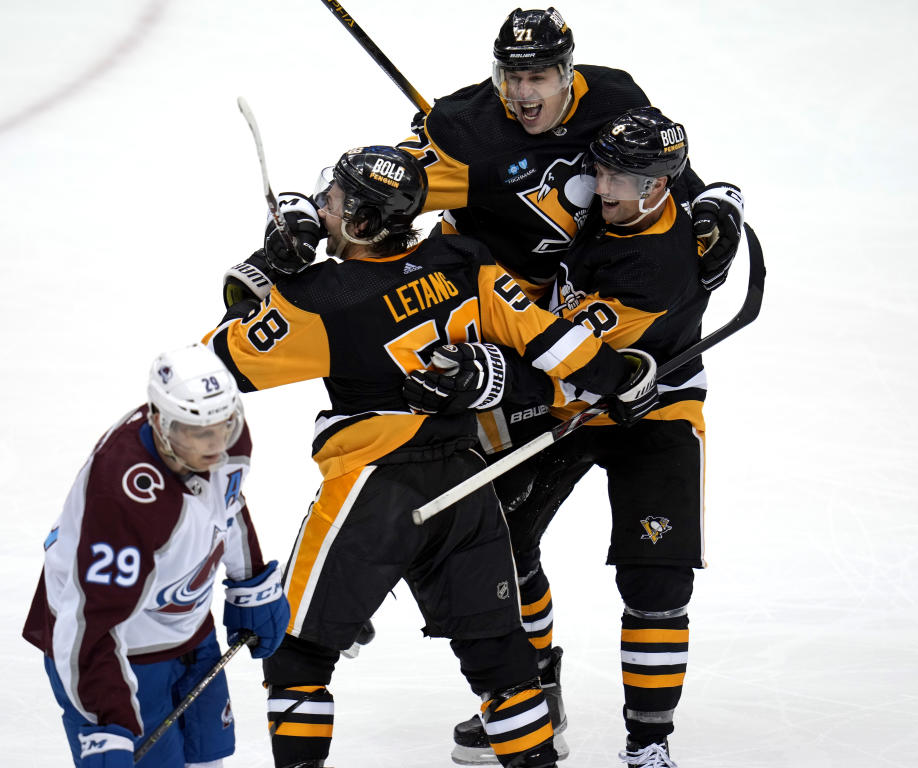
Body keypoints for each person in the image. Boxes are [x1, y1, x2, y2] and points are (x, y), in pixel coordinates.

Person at [208, 144, 659, 768]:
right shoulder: (462, 260)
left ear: (362, 224)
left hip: (375, 492)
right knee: (506, 668)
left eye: (333, 202)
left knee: (298, 656)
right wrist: (618, 375)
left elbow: (211, 369)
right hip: (468, 485)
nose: (322, 209)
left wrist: (268, 268)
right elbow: (553, 341)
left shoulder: (321, 298)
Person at [404, 107, 741, 767]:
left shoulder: (661, 267)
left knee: (657, 581)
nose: (606, 186)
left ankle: (649, 744)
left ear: (661, 185)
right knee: (502, 541)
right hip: (575, 401)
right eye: (603, 168)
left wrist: (487, 374)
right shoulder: (595, 195)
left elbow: (567, 364)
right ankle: (537, 698)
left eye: (625, 176)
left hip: (652, 406)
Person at [21, 343, 290, 768]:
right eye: (197, 431)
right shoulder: (124, 496)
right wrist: (105, 721)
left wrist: (250, 580)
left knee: (209, 761)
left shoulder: (227, 435)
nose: (216, 444)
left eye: (223, 425)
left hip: (188, 631)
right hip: (112, 655)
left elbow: (229, 504)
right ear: (160, 421)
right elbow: (90, 621)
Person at [395, 6, 743, 301]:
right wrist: (434, 142)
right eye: (512, 77)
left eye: (537, 77)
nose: (522, 93)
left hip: (567, 285)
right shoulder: (468, 126)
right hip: (471, 277)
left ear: (566, 73)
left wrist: (706, 195)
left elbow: (653, 162)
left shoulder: (613, 97)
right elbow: (392, 181)